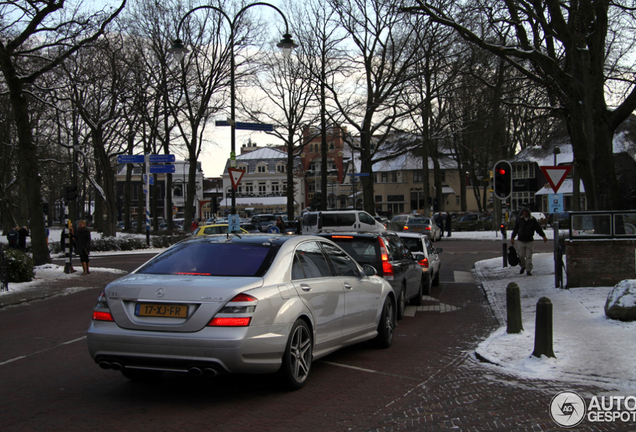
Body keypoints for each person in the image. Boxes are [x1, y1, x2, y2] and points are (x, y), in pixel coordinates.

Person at [510, 207, 548, 276]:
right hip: (521, 240)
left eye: (526, 212)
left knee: (529, 256)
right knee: (521, 256)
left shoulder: (532, 220)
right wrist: (512, 237)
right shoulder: (519, 219)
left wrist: (543, 236)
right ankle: (523, 266)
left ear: (528, 213)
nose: (525, 213)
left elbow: (538, 229)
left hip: (529, 240)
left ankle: (528, 270)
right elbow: (515, 229)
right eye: (523, 212)